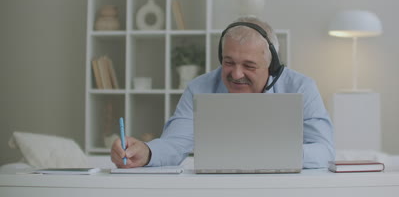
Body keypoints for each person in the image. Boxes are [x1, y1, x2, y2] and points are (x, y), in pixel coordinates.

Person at [111, 17, 335, 169]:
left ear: (272, 65)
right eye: (229, 62)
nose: (236, 74)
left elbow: (325, 151)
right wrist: (146, 152)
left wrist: (274, 153)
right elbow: (175, 143)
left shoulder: (302, 87)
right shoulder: (199, 88)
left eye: (249, 65)